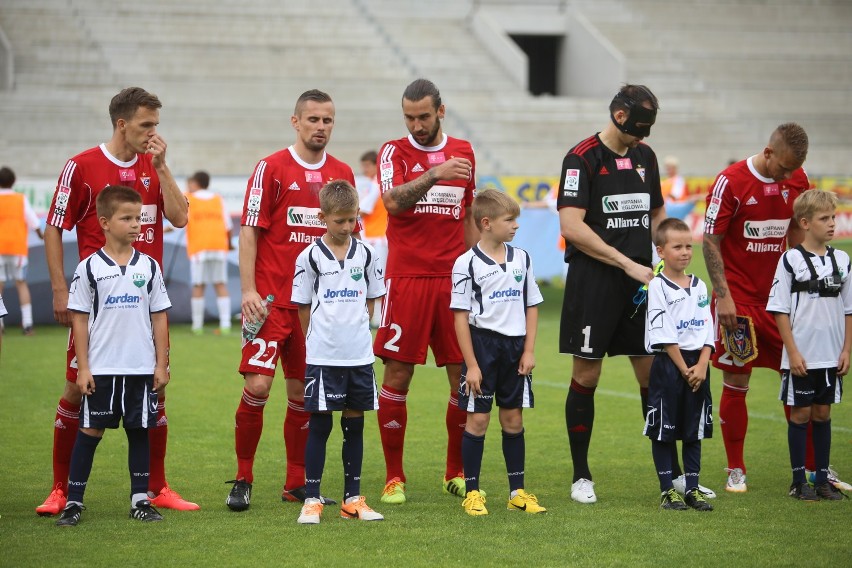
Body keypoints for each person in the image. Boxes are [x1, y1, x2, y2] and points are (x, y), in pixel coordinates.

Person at [39, 87, 195, 516]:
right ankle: (59, 488)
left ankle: (156, 487)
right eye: (147, 125)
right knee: (76, 389)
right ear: (122, 124)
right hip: (99, 305)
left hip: (147, 302)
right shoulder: (82, 166)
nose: (153, 134)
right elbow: (54, 227)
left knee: (155, 392)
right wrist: (59, 288)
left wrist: (162, 168)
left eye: (157, 125)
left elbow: (180, 218)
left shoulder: (153, 164)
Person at [226, 89, 356, 511]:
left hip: (314, 308)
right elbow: (250, 230)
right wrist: (247, 290)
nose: (321, 127)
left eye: (328, 120)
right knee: (259, 386)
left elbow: (350, 238)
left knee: (303, 395)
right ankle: (243, 477)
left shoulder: (342, 173)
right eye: (314, 119)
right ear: (296, 121)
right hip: (268, 302)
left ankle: (295, 482)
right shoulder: (272, 168)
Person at [703, 122, 850, 493]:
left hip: (783, 302)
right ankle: (736, 468)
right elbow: (710, 240)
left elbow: (797, 236)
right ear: (768, 152)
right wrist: (723, 295)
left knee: (800, 377)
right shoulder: (731, 182)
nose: (788, 175)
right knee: (737, 381)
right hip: (739, 301)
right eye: (782, 168)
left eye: (793, 170)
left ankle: (815, 470)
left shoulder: (797, 178)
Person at [557, 84, 669, 505]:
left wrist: (666, 246)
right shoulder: (582, 158)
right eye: (640, 127)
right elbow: (571, 226)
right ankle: (581, 476)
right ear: (620, 116)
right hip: (595, 282)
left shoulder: (645, 157)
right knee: (587, 375)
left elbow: (655, 210)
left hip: (640, 283)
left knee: (652, 375)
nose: (645, 136)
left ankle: (671, 475)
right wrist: (624, 263)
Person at [373, 78, 478, 504]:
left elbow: (468, 212)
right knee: (398, 374)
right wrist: (435, 173)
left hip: (454, 280)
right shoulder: (394, 151)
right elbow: (393, 202)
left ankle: (454, 472)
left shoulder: (466, 151)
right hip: (407, 280)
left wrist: (480, 271)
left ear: (441, 111)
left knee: (462, 376)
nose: (416, 125)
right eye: (409, 117)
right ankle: (394, 477)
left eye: (423, 116)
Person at [55, 186, 172, 527]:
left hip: (140, 367)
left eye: (139, 218)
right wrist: (83, 367)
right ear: (104, 222)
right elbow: (78, 319)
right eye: (127, 218)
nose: (136, 224)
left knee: (140, 431)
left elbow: (159, 316)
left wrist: (161, 364)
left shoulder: (149, 266)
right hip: (102, 368)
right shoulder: (89, 268)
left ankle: (140, 499)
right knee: (90, 432)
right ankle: (74, 501)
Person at [291, 180, 386, 524]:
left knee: (355, 425)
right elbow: (302, 306)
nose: (347, 227)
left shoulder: (369, 253)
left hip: (359, 355)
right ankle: (312, 499)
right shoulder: (309, 256)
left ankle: (353, 500)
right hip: (323, 356)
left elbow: (375, 295)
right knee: (319, 425)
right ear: (323, 217)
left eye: (352, 219)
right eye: (340, 221)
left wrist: (362, 327)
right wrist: (314, 340)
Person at [450, 188, 546, 516]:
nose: (516, 225)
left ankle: (517, 492)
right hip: (483, 347)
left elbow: (531, 305)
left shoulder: (522, 258)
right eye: (510, 220)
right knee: (477, 420)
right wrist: (472, 365)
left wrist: (529, 350)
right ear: (487, 223)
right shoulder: (466, 264)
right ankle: (473, 492)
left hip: (515, 347)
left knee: (513, 419)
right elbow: (461, 317)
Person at [766, 190, 851, 501]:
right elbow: (779, 308)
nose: (832, 223)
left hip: (831, 355)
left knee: (823, 414)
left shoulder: (842, 260)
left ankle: (822, 479)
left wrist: (845, 350)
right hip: (802, 356)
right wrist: (793, 351)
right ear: (804, 222)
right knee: (800, 414)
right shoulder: (790, 260)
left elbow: (848, 308)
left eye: (833, 217)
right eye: (824, 218)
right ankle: (798, 480)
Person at [644, 218, 714, 511]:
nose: (685, 252)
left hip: (698, 364)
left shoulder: (699, 286)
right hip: (669, 364)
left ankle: (693, 488)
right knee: (664, 429)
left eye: (688, 246)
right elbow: (663, 331)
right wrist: (684, 369)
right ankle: (667, 491)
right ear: (661, 251)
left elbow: (707, 327)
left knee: (693, 429)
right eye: (677, 247)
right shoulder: (657, 286)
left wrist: (701, 364)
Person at [184, 170, 233, 335]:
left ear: (195, 183)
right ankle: (225, 324)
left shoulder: (188, 198)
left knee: (199, 285)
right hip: (219, 245)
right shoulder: (218, 199)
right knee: (220, 284)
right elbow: (228, 226)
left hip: (200, 247)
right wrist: (229, 244)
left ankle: (197, 326)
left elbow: (181, 220)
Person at [0, 166, 44, 335]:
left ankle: (1, 325)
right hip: (17, 248)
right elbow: (33, 221)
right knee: (21, 283)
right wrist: (41, 235)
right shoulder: (20, 199)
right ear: (14, 182)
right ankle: (27, 325)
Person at [354, 150, 388, 328]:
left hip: (376, 237)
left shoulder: (377, 184)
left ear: (376, 166)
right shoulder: (377, 184)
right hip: (376, 236)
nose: (364, 169)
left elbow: (364, 209)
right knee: (375, 277)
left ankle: (376, 318)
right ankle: (376, 317)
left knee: (374, 277)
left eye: (367, 165)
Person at [660, 156, 700, 220]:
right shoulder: (666, 181)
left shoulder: (678, 180)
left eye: (669, 168)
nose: (668, 171)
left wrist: (666, 195)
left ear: (675, 168)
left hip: (674, 207)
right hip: (667, 207)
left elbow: (676, 196)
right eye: (667, 168)